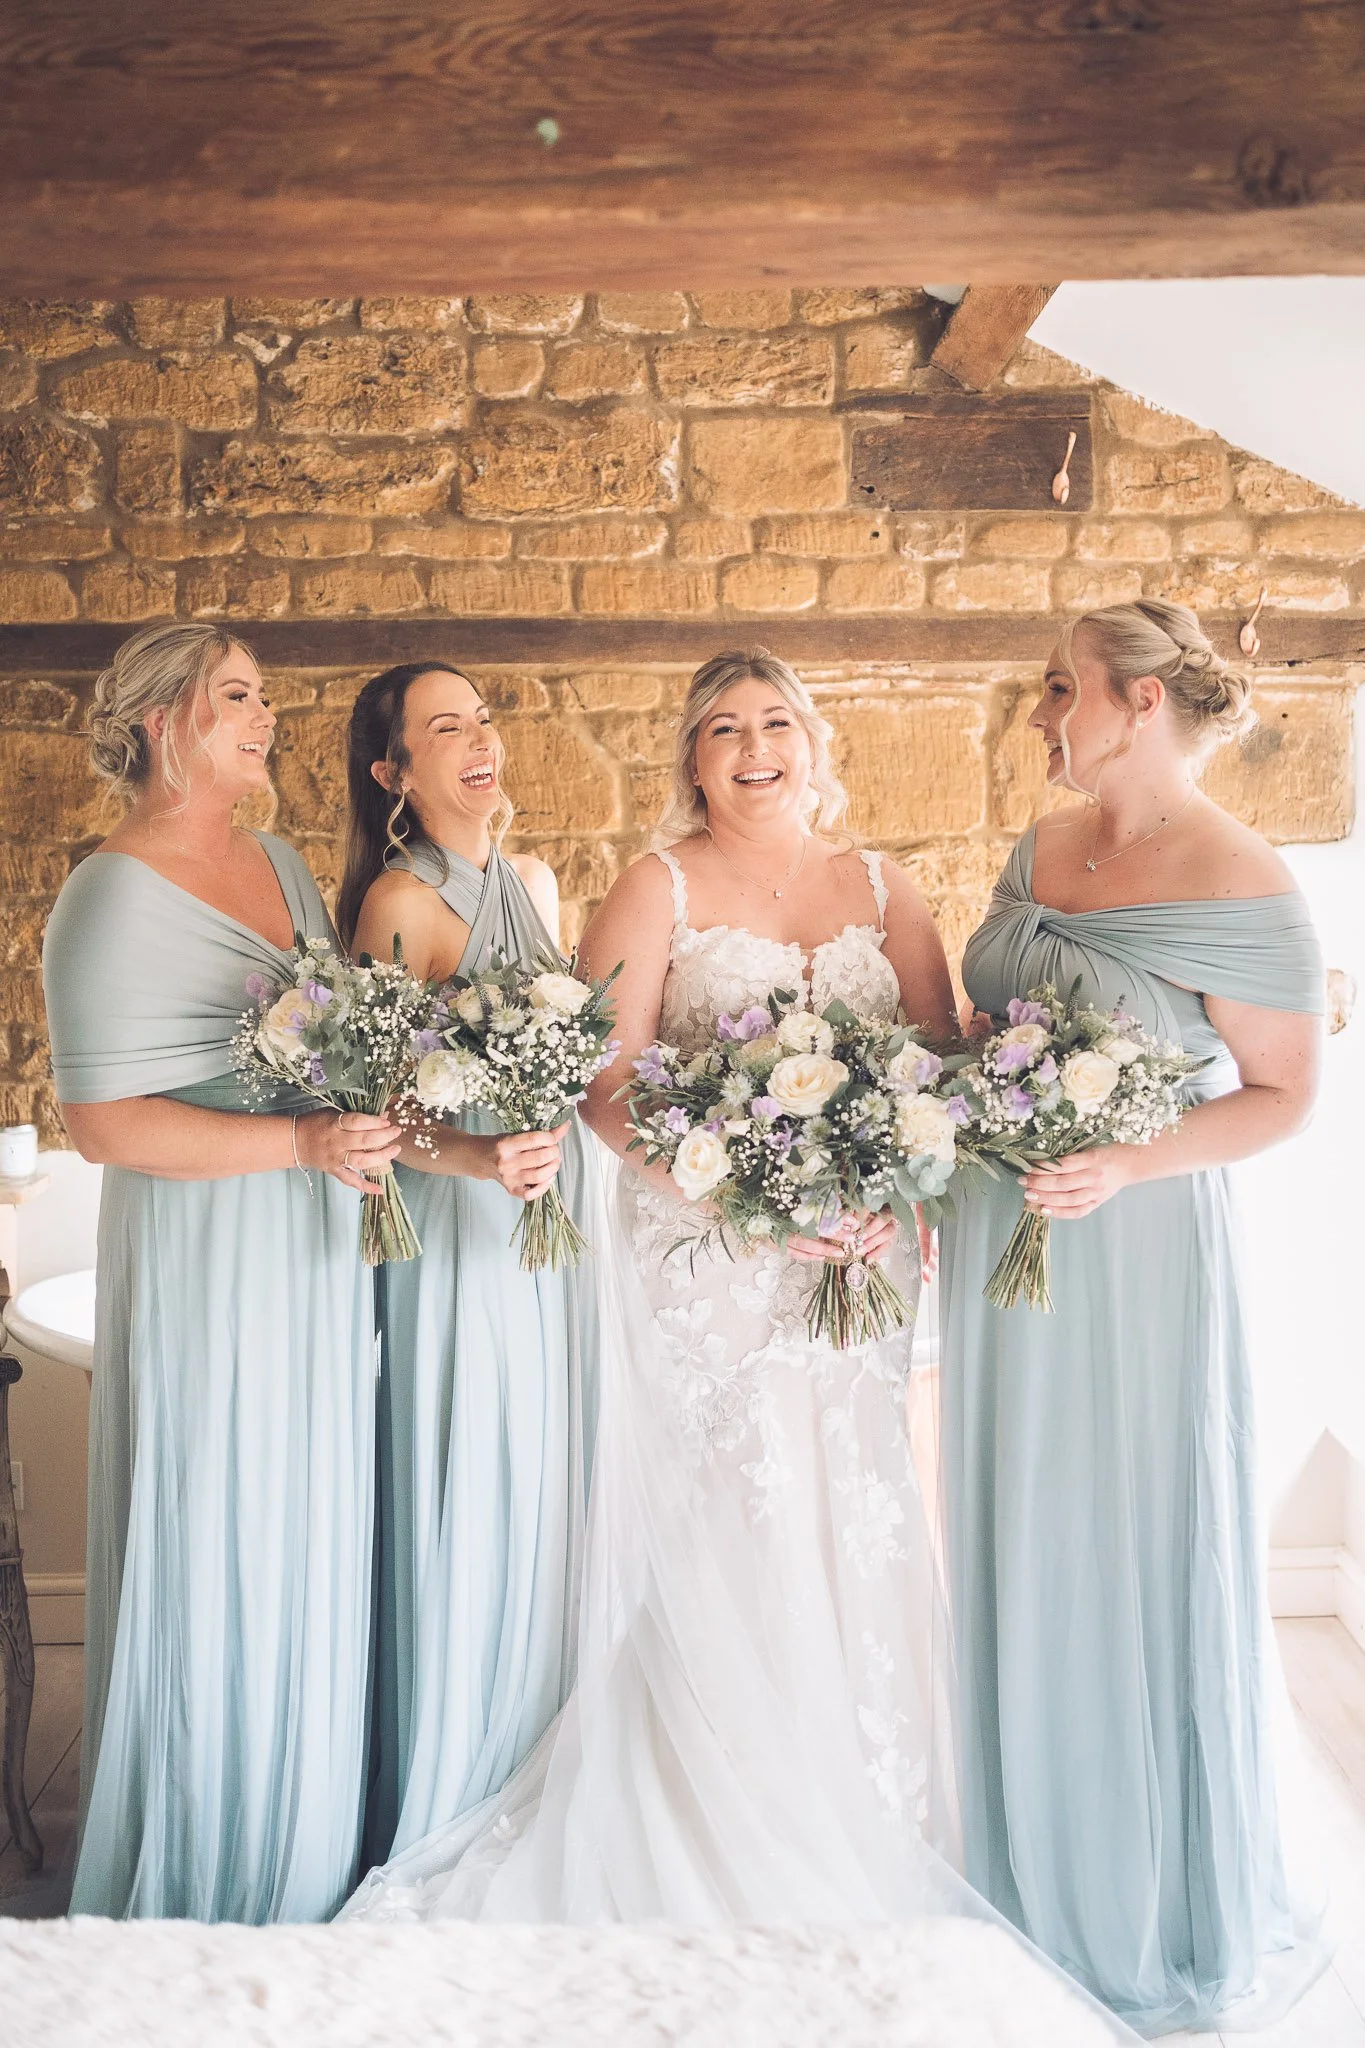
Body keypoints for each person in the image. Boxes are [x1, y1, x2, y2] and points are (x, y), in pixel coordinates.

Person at [340, 645, 985, 1925]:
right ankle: (724, 1801)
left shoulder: (885, 885)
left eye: (776, 722)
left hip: (854, 1258)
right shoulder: (658, 886)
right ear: (691, 758)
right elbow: (607, 1080)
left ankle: (875, 1797)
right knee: (741, 1515)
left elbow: (936, 1063)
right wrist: (749, 1185)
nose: (755, 746)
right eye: (724, 728)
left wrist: (879, 1188)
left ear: (814, 740)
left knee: (853, 1503)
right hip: (714, 1261)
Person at [938, 598, 1328, 2033]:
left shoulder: (1241, 876)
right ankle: (1019, 1876)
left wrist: (1124, 1159)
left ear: (1140, 701)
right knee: (1016, 1533)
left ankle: (1138, 1899)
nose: (1040, 714)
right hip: (1002, 1233)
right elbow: (989, 1019)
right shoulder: (1036, 853)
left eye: (1059, 689)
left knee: (1125, 1536)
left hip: (1135, 1242)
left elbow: (1285, 1097)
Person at [42, 622, 398, 1921]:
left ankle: (306, 1845)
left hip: (307, 1248)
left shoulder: (291, 867)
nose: (267, 716)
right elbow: (104, 1123)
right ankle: (206, 1870)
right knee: (218, 1526)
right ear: (159, 723)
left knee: (311, 1525)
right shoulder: (107, 892)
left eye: (264, 696)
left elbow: (329, 1035)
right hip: (203, 1253)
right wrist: (302, 1137)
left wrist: (360, 1111)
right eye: (238, 695)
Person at [339, 663, 600, 1866]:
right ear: (395, 774)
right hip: (464, 1235)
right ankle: (459, 1785)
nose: (479, 739)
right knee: (476, 1476)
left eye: (484, 717)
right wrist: (486, 1154)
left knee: (550, 1484)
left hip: (551, 1223)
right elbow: (380, 1121)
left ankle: (546, 1757)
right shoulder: (396, 900)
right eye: (445, 727)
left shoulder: (536, 880)